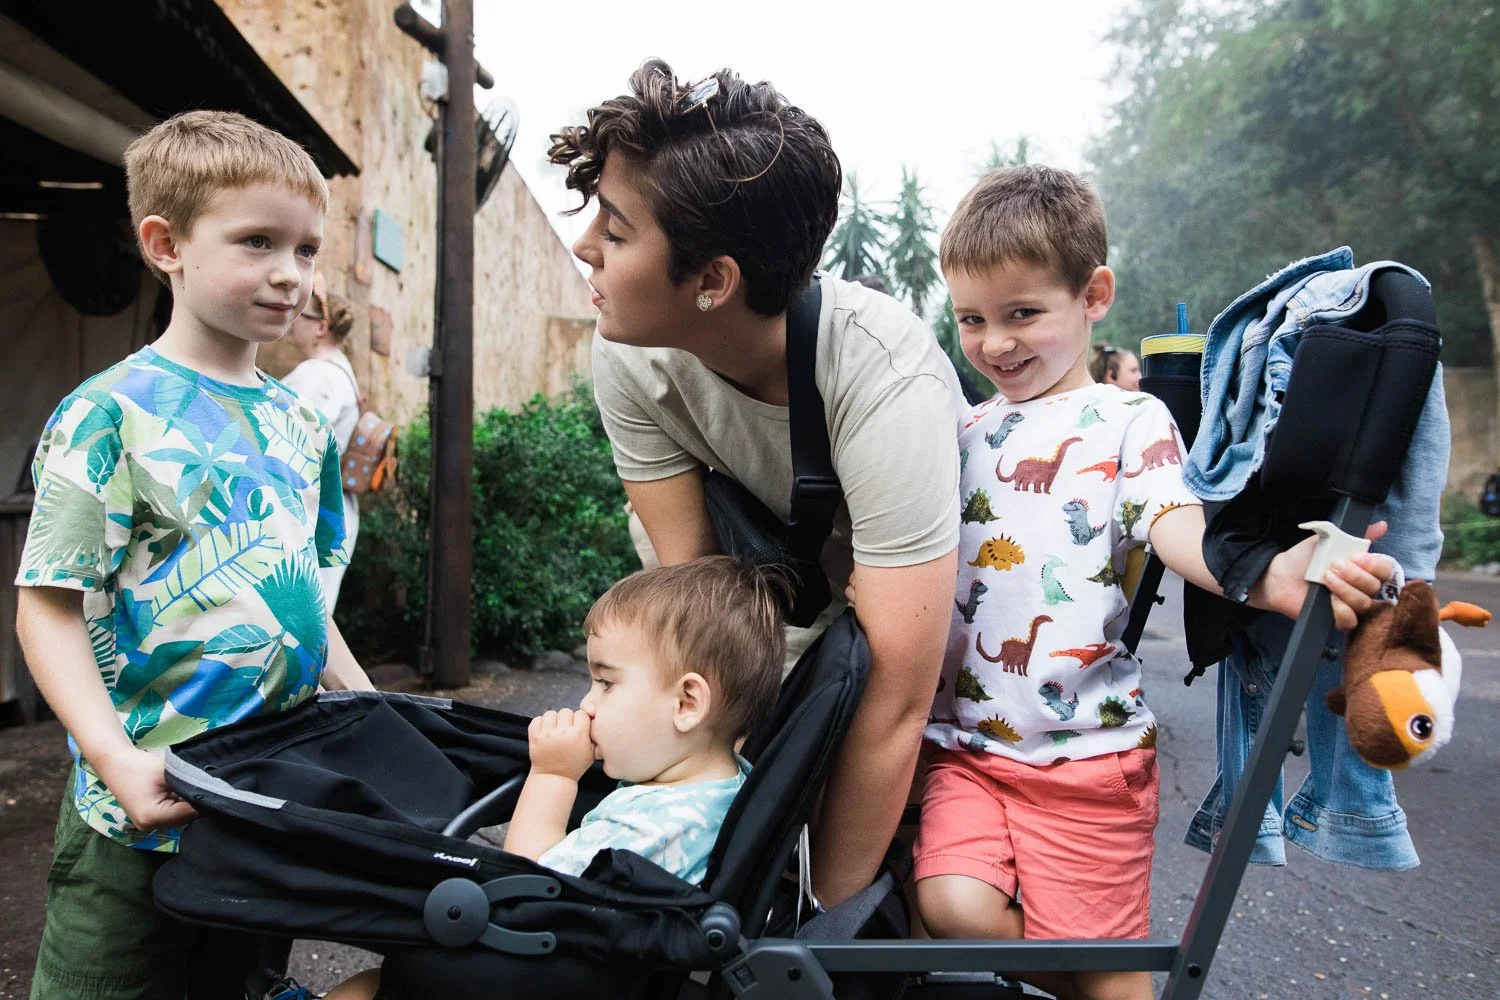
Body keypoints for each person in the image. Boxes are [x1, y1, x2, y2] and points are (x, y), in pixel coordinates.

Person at [915, 165, 1399, 1000]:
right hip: (968, 750)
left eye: (1023, 313)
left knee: (1110, 982)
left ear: (1093, 293)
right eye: (972, 319)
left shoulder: (1126, 418)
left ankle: (1105, 975)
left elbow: (1176, 527)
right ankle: (1093, 969)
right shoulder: (966, 428)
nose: (995, 343)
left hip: (1086, 762)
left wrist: (1269, 573)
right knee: (949, 908)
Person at [552, 59, 966, 909]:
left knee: (889, 872)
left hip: (917, 613)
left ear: (714, 282)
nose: (585, 245)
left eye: (619, 233)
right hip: (771, 588)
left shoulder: (887, 383)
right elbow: (694, 622)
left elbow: (896, 694)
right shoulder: (630, 350)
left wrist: (819, 931)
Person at [15, 110, 374, 1000]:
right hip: (138, 810)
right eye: (258, 242)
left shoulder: (298, 422)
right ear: (165, 243)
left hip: (263, 809)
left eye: (306, 250)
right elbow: (47, 604)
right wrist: (113, 758)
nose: (290, 275)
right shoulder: (110, 411)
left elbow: (298, 600)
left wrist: (371, 713)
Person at [322, 556, 785, 1000]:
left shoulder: (649, 830)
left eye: (606, 683)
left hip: (545, 970)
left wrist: (553, 774)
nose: (587, 703)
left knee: (373, 983)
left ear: (686, 704)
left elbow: (525, 892)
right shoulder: (726, 787)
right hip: (596, 965)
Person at [282, 280, 361, 608]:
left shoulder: (322, 375)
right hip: (328, 506)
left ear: (321, 327)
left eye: (299, 316)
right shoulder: (337, 370)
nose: (291, 324)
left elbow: (297, 443)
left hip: (316, 506)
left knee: (307, 611)